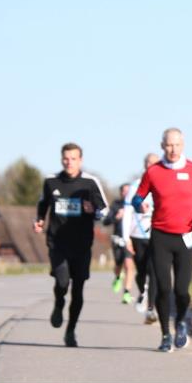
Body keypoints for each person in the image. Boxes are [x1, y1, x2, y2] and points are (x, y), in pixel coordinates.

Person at [131, 128, 192, 351]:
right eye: (169, 145)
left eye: (177, 145)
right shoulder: (153, 172)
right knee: (164, 288)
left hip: (186, 236)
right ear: (162, 146)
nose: (173, 149)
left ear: (182, 145)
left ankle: (181, 321)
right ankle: (166, 334)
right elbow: (137, 198)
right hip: (161, 236)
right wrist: (140, 205)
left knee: (182, 291)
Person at [34, 142, 109, 348]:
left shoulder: (90, 182)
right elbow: (43, 204)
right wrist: (39, 220)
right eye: (66, 159)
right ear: (61, 159)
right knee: (62, 282)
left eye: (73, 159)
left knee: (78, 290)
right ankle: (59, 303)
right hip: (58, 243)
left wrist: (93, 210)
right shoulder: (51, 181)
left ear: (80, 160)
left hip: (82, 244)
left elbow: (104, 210)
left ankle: (70, 330)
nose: (69, 163)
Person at [124, 153, 160, 323]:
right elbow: (127, 212)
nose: (151, 166)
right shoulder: (135, 186)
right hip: (137, 235)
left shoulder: (163, 182)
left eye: (154, 163)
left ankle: (151, 308)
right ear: (144, 165)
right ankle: (143, 292)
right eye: (148, 163)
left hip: (157, 234)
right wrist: (126, 238)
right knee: (141, 271)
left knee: (154, 271)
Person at [103, 183, 134, 304]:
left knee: (128, 265)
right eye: (124, 191)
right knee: (118, 265)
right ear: (121, 193)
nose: (126, 193)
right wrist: (116, 217)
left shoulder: (135, 205)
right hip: (118, 239)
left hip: (130, 240)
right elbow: (106, 221)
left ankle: (126, 293)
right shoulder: (116, 205)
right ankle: (117, 277)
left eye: (128, 191)